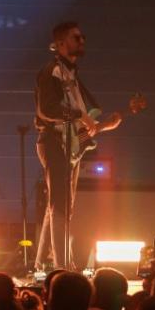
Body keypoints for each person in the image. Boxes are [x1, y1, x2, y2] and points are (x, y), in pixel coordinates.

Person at [34, 22, 120, 270]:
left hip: (69, 144)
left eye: (82, 37)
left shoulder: (72, 75)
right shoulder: (50, 72)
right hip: (53, 142)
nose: (82, 40)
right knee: (60, 204)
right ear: (60, 43)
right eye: (76, 37)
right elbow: (47, 110)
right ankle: (62, 268)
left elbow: (83, 123)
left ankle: (42, 263)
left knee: (61, 204)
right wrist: (80, 115)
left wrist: (104, 126)